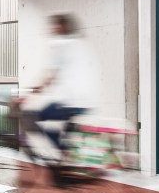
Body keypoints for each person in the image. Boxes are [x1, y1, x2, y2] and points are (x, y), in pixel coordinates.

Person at [19, 14, 99, 151]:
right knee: (63, 129)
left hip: (68, 102)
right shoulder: (79, 43)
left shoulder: (59, 44)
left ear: (63, 27)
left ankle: (64, 153)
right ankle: (67, 155)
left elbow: (50, 76)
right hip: (85, 101)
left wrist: (29, 93)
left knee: (29, 117)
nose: (52, 29)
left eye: (55, 25)